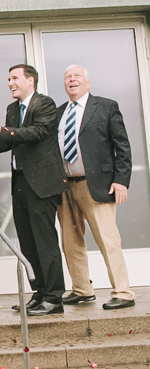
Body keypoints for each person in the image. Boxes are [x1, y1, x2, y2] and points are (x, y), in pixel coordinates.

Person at [0, 64, 67, 316]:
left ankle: (54, 298)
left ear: (30, 81)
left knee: (45, 241)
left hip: (42, 183)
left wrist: (3, 131)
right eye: (8, 78)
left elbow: (37, 132)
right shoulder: (12, 109)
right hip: (20, 182)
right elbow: (11, 139)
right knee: (28, 243)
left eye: (15, 78)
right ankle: (39, 292)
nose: (10, 83)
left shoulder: (45, 104)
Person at [56, 65, 134, 310]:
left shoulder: (106, 106)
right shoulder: (58, 113)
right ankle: (82, 289)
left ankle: (123, 292)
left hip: (96, 185)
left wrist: (121, 180)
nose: (72, 80)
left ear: (87, 83)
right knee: (70, 242)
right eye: (68, 77)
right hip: (65, 186)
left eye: (77, 76)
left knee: (108, 240)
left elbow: (122, 146)